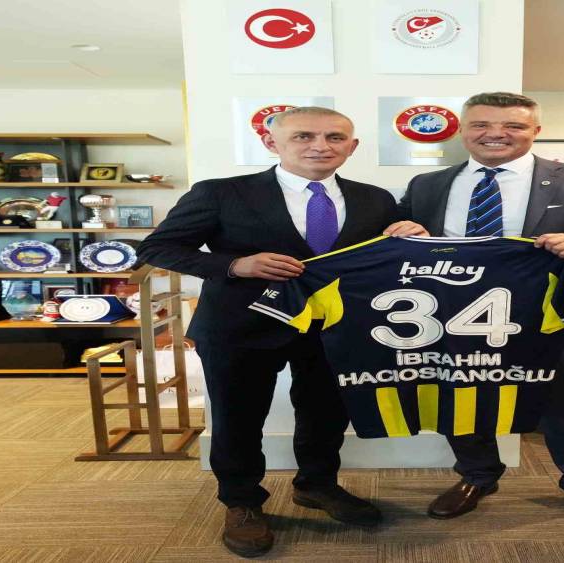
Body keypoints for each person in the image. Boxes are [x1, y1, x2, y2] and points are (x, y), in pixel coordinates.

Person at [137, 107, 426, 558]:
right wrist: (235, 265)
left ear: (352, 147)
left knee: (327, 413)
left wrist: (410, 235)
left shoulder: (375, 200)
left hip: (336, 327)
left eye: (335, 137)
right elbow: (158, 247)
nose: (320, 146)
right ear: (272, 143)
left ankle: (317, 485)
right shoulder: (221, 192)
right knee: (237, 418)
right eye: (304, 136)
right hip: (240, 325)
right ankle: (242, 502)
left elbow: (384, 258)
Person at [386, 92, 564, 538]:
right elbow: (404, 245)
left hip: (549, 316)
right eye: (481, 124)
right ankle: (477, 475)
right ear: (463, 131)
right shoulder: (427, 185)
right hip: (454, 317)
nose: (495, 134)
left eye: (513, 125)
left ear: (535, 131)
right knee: (462, 402)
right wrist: (403, 232)